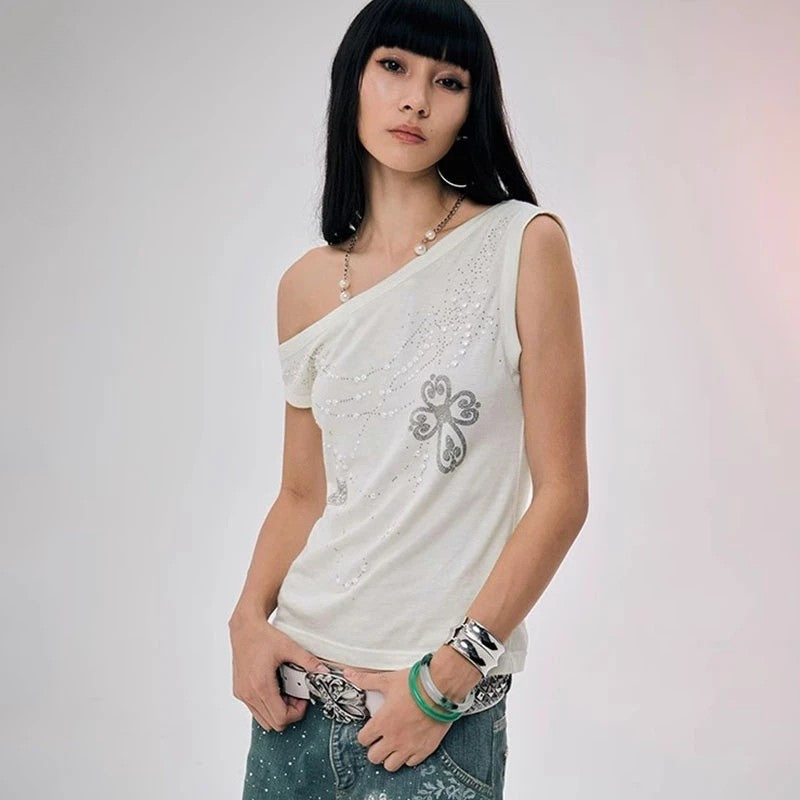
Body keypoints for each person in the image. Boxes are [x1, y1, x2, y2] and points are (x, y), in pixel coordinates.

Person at [229, 0, 588, 797]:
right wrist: (246, 622)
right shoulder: (304, 286)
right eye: (393, 66)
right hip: (293, 702)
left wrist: (449, 678)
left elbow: (563, 494)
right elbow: (302, 495)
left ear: (471, 107)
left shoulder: (523, 244)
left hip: (432, 716)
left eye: (447, 80)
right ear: (352, 79)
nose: (416, 99)